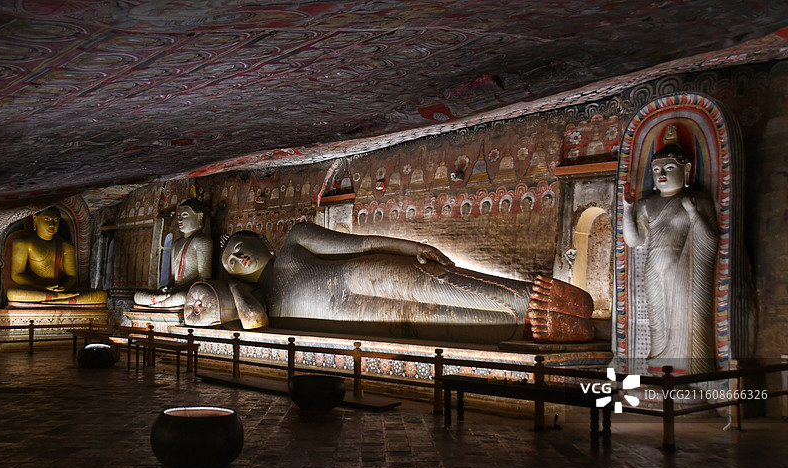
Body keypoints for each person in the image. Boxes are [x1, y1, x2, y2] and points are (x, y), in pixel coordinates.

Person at [184, 224, 595, 344]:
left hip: (362, 273)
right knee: (442, 319)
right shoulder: (257, 302)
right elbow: (253, 323)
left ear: (262, 242)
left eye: (240, 247)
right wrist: (236, 289)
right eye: (231, 262)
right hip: (356, 315)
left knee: (440, 283)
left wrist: (412, 246)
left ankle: (533, 297)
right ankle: (534, 327)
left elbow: (359, 243)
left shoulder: (293, 241)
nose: (238, 257)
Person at [622, 124, 718, 373]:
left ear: (686, 170)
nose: (661, 173)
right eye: (656, 169)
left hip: (684, 272)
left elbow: (710, 239)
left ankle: (689, 372)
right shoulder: (647, 204)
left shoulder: (698, 199)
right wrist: (627, 208)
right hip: (653, 269)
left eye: (669, 168)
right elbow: (634, 241)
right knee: (658, 323)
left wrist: (693, 213)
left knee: (685, 320)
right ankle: (659, 368)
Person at [6, 207, 107, 305]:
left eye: (56, 220)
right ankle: (58, 298)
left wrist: (64, 287)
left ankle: (60, 299)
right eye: (47, 219)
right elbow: (17, 275)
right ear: (35, 219)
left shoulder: (66, 246)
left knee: (102, 295)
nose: (52, 224)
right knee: (12, 294)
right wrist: (43, 287)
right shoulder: (24, 243)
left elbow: (71, 276)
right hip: (35, 289)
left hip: (60, 290)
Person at [134, 198, 212, 308]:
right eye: (179, 216)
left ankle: (158, 303)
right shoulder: (176, 243)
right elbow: (174, 276)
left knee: (183, 296)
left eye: (184, 215)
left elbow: (204, 279)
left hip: (189, 291)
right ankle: (163, 301)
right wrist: (169, 287)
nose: (180, 219)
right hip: (174, 291)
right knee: (137, 296)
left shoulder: (202, 241)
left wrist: (184, 288)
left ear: (199, 216)